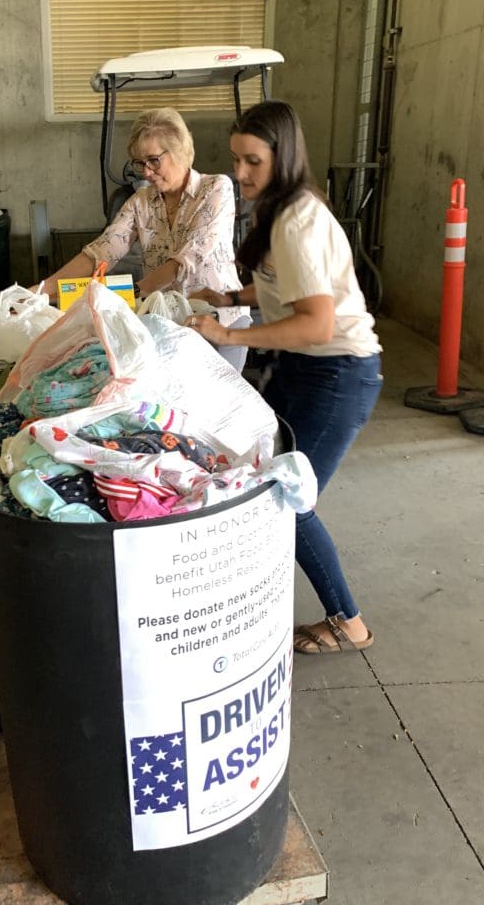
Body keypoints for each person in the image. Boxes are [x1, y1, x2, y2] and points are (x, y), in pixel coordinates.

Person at [186, 100, 383, 655]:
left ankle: (349, 622)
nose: (241, 173)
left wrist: (227, 334)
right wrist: (229, 297)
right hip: (303, 368)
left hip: (337, 374)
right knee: (259, 479)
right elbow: (281, 288)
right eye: (235, 159)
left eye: (253, 161)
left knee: (286, 498)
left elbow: (316, 322)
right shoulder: (278, 208)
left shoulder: (297, 219)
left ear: (283, 157)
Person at [40, 107, 250, 372]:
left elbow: (188, 258)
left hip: (221, 322)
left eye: (154, 161)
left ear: (180, 152)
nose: (146, 172)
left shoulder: (216, 188)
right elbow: (103, 251)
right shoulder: (142, 201)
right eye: (140, 163)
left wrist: (134, 291)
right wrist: (40, 290)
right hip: (170, 327)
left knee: (220, 409)